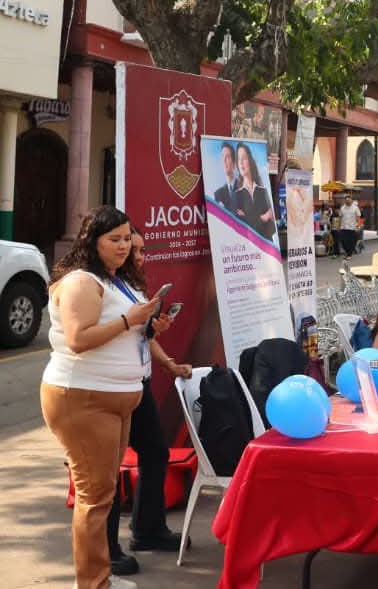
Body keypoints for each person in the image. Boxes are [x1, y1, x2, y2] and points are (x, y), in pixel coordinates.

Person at [41, 206, 161, 589]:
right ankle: (93, 583)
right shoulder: (81, 282)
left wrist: (148, 327)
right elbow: (79, 339)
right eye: (115, 239)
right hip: (84, 397)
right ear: (92, 241)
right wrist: (130, 320)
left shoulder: (113, 280)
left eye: (128, 238)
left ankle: (100, 577)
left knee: (104, 493)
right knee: (94, 498)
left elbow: (120, 333)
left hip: (115, 398)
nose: (124, 246)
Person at [106, 229, 191, 575]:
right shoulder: (101, 288)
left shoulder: (133, 289)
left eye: (139, 248)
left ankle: (147, 529)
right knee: (107, 471)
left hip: (137, 385)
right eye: (129, 247)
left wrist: (167, 359)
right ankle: (106, 550)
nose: (138, 255)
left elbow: (141, 337)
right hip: (108, 390)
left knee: (155, 452)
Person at [233, 143, 275, 240]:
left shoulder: (263, 191)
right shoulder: (236, 195)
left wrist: (248, 217)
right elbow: (241, 226)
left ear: (250, 160)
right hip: (248, 248)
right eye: (238, 159)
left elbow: (271, 227)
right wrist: (263, 217)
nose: (241, 163)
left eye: (244, 158)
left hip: (266, 246)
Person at [212, 142, 240, 210]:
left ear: (234, 163)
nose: (224, 160)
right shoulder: (218, 194)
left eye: (227, 157)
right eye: (222, 156)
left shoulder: (243, 189)